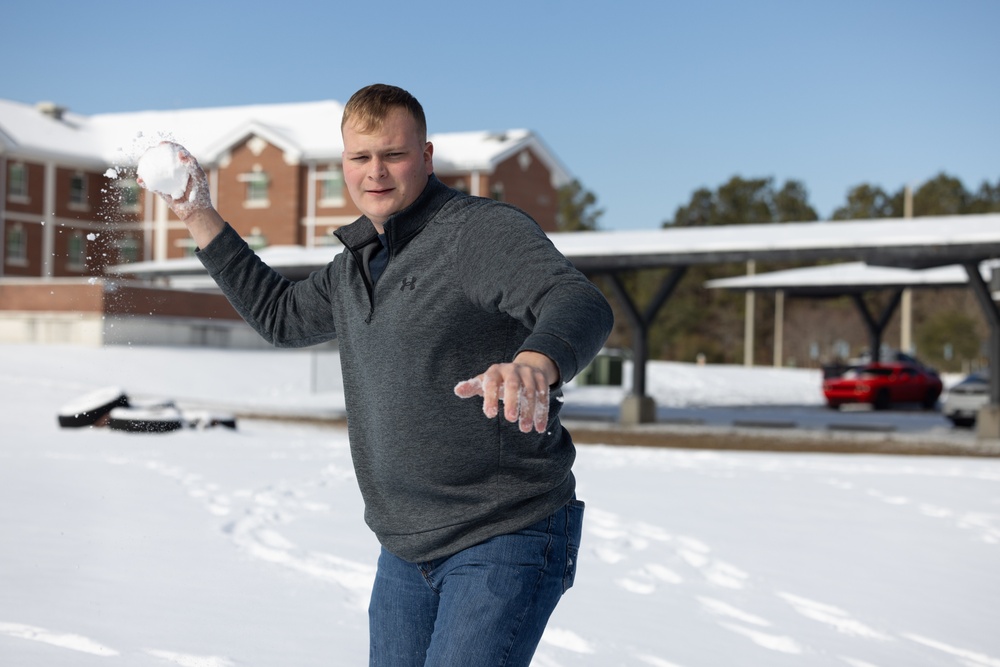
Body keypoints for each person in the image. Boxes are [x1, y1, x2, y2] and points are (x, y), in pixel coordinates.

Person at [139, 83, 613, 666]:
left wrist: (535, 362)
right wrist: (196, 212)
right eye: (360, 158)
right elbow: (278, 316)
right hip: (406, 547)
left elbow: (576, 300)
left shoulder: (478, 232)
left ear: (428, 156)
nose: (376, 173)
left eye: (394, 154)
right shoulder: (355, 267)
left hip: (505, 530)